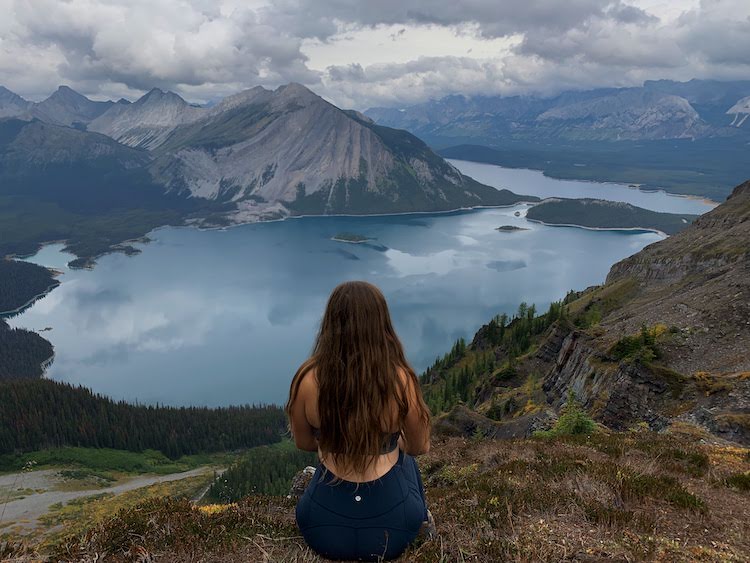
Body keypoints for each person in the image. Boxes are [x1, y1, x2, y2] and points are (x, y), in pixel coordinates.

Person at [286, 280, 433, 561]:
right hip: (394, 529)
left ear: (330, 322)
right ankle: (424, 524)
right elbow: (419, 446)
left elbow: (303, 443)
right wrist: (393, 442)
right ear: (381, 323)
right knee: (407, 458)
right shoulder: (401, 379)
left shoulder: (307, 378)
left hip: (322, 529)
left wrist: (335, 442)